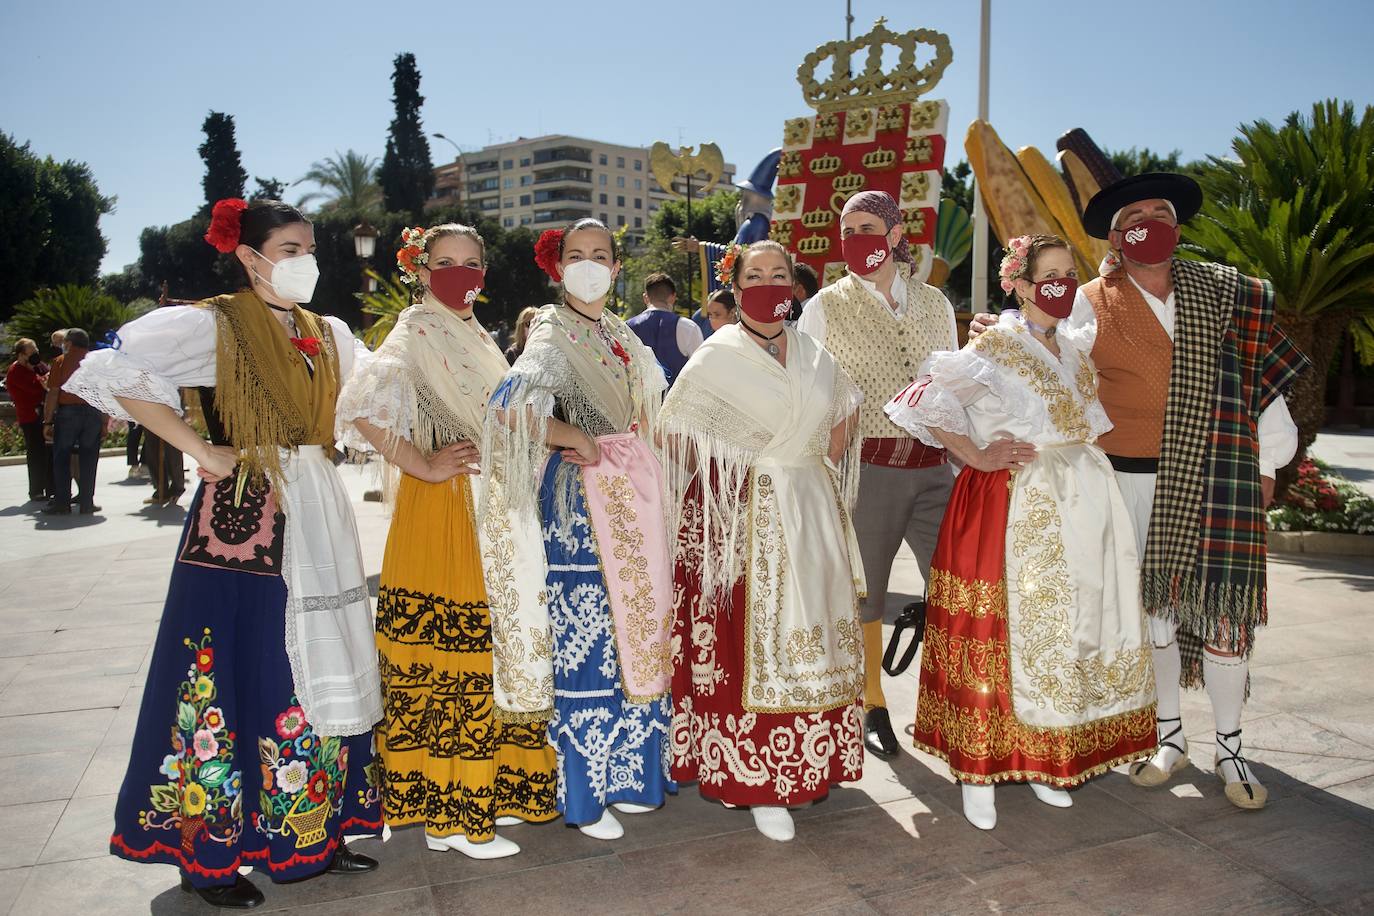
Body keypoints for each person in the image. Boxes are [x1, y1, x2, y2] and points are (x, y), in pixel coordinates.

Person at [66, 198, 383, 909]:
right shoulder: (210, 323)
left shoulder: (325, 331)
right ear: (249, 255)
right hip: (243, 519)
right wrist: (195, 446)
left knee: (317, 664)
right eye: (290, 246)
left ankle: (312, 836)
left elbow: (370, 403)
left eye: (310, 246)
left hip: (318, 509)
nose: (305, 259)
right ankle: (210, 858)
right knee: (234, 670)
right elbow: (110, 373)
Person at [969, 174, 1308, 810]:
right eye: (1136, 213)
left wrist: (1267, 470)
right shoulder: (1092, 301)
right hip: (1124, 481)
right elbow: (1047, 355)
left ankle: (1230, 747)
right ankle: (1169, 736)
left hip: (1218, 479)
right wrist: (1004, 329)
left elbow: (1267, 387)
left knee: (1225, 618)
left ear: (1178, 228)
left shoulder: (1229, 293)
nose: (1152, 219)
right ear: (1117, 235)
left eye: (1163, 211)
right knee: (1153, 615)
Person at [885, 234, 1157, 830]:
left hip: (1081, 506)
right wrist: (977, 453)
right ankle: (977, 770)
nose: (1060, 284)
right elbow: (918, 402)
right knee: (1000, 629)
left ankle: (1043, 760)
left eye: (1068, 273)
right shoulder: (997, 346)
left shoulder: (1074, 351)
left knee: (1063, 633)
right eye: (1048, 275)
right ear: (1023, 284)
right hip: (1013, 501)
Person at [336, 224, 558, 859]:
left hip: (491, 512)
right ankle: (447, 817)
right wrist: (423, 463)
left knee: (492, 651)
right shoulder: (416, 328)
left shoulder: (470, 332)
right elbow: (358, 406)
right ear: (421, 269)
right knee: (451, 657)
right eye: (445, 263)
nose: (460, 274)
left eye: (471, 264)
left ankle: (480, 795)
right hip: (445, 511)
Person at [660, 240, 865, 842]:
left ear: (794, 286)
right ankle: (756, 781)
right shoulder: (716, 357)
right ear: (736, 284)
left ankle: (810, 765)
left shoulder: (813, 351)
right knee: (746, 645)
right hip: (743, 524)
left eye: (780, 274)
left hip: (810, 512)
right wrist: (739, 472)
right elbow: (677, 436)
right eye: (757, 275)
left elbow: (847, 404)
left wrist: (817, 456)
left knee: (814, 639)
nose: (770, 284)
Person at [481, 217, 675, 841]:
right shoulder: (551, 328)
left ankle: (631, 776)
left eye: (601, 255)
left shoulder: (618, 332)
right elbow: (510, 406)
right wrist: (575, 437)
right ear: (557, 268)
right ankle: (588, 790)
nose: (589, 264)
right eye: (576, 255)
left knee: (633, 627)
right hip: (580, 499)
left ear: (617, 269)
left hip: (629, 489)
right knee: (588, 634)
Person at [797, 190, 959, 760]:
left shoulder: (936, 303)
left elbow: (951, 385)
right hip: (868, 468)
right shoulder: (824, 305)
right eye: (847, 230)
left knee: (959, 584)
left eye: (867, 227)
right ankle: (873, 703)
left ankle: (953, 705)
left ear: (894, 235)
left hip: (937, 467)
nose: (854, 240)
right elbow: (813, 391)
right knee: (866, 594)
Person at [43, 328, 104, 515]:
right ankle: (87, 503)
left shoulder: (61, 361)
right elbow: (104, 393)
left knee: (61, 457)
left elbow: (53, 392)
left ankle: (62, 502)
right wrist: (105, 421)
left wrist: (47, 421)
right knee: (89, 458)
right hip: (93, 413)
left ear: (68, 344)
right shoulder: (97, 362)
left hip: (68, 413)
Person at [626, 272, 702, 386]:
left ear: (645, 298)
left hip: (639, 402)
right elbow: (699, 371)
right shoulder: (688, 327)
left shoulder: (627, 327)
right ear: (673, 297)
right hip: (675, 401)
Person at [6, 338, 53, 502]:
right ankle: (36, 490)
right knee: (36, 453)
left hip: (44, 415)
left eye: (36, 350)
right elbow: (35, 389)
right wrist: (43, 383)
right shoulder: (15, 372)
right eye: (31, 352)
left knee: (49, 452)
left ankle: (51, 488)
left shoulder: (39, 366)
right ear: (21, 355)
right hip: (30, 417)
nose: (35, 355)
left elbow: (50, 380)